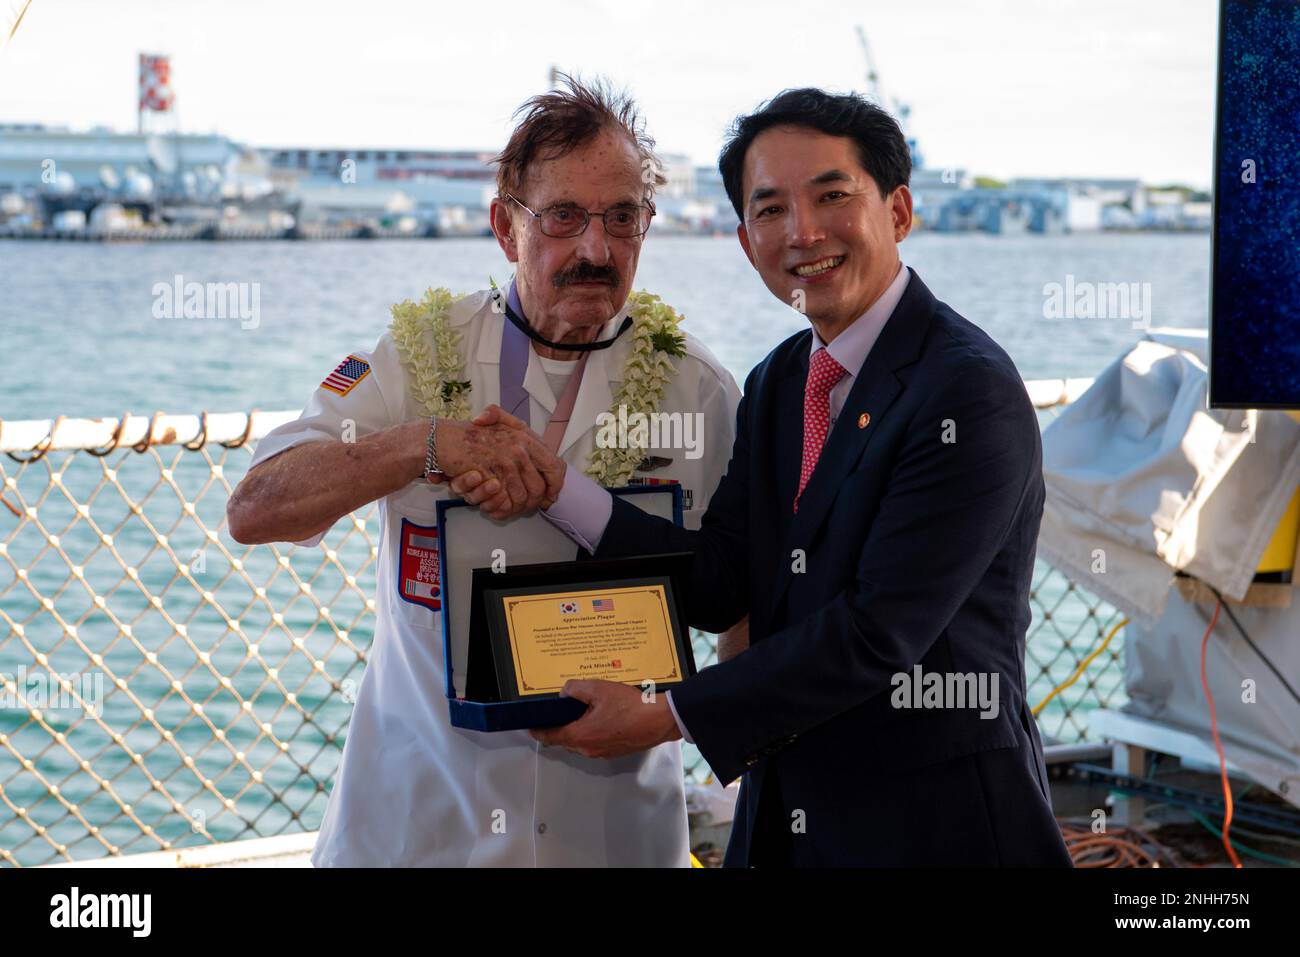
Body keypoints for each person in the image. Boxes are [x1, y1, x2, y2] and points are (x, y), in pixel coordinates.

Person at [454, 88, 1074, 866]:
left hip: (936, 826)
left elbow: (877, 633)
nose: (804, 232)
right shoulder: (782, 380)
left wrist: (664, 714)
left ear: (900, 211)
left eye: (832, 196)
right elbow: (723, 581)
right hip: (786, 821)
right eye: (772, 210)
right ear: (747, 243)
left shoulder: (967, 388)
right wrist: (559, 490)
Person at [225, 75, 742, 867]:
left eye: (623, 219)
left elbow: (743, 609)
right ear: (506, 226)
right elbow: (257, 510)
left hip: (615, 842)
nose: (596, 250)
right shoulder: (418, 354)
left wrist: (733, 771)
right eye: (564, 217)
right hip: (412, 834)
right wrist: (423, 445)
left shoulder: (696, 388)